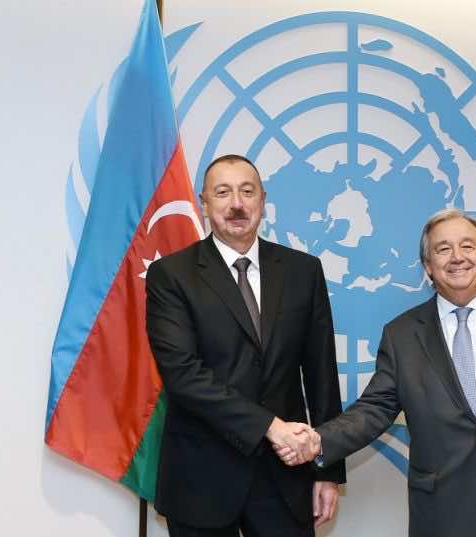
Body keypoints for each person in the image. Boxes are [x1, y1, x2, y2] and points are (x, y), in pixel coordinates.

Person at [276, 208, 476, 537]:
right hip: (442, 510)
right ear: (428, 267)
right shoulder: (402, 335)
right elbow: (373, 410)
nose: (457, 257)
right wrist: (319, 442)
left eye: (467, 246)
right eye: (443, 249)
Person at [145, 154, 345, 537]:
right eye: (223, 193)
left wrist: (328, 469)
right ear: (204, 203)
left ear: (262, 201)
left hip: (285, 480)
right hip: (201, 480)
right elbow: (183, 376)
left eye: (247, 191)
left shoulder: (304, 271)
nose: (236, 204)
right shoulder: (171, 275)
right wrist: (270, 427)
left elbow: (322, 376)